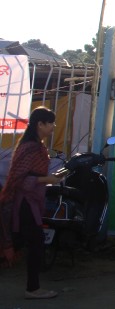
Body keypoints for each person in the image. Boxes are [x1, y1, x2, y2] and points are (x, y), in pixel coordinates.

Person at [0, 107, 64, 299]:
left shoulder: (35, 145)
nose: (53, 126)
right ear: (40, 124)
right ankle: (33, 289)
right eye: (50, 123)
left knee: (21, 242)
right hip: (23, 204)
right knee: (34, 242)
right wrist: (48, 179)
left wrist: (51, 177)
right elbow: (22, 180)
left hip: (29, 203)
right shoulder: (31, 147)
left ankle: (33, 287)